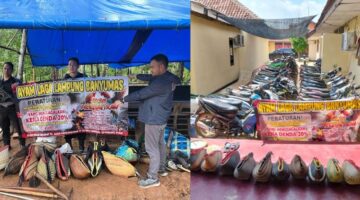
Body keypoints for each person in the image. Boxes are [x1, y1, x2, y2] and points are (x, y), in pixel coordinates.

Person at [124, 54, 181, 189]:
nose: (151, 70)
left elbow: (142, 94)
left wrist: (123, 99)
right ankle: (161, 168)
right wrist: (136, 76)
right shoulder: (167, 78)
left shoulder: (161, 83)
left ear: (161, 67)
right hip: (161, 117)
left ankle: (153, 178)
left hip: (153, 119)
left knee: (151, 148)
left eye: (153, 67)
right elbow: (150, 77)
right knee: (160, 144)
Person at [0, 62, 25, 149]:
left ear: (12, 70)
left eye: (8, 68)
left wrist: (18, 87)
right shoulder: (0, 82)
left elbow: (23, 93)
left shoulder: (16, 81)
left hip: (13, 108)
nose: (6, 70)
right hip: (2, 108)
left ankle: (22, 144)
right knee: (4, 127)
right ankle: (7, 145)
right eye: (5, 68)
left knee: (18, 127)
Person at [63, 57, 87, 151]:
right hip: (68, 108)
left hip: (80, 107)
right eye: (69, 64)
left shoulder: (83, 77)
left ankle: (81, 147)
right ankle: (69, 147)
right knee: (68, 126)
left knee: (80, 125)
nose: (71, 66)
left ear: (78, 66)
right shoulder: (65, 78)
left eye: (73, 64)